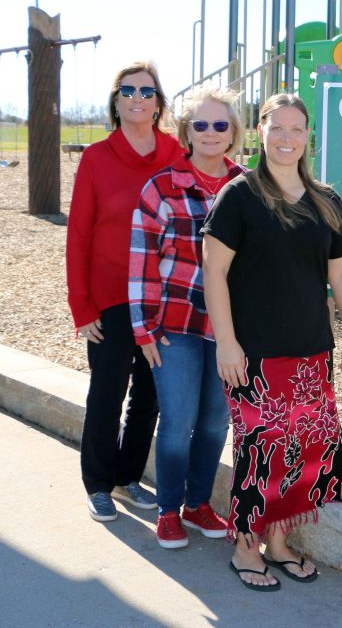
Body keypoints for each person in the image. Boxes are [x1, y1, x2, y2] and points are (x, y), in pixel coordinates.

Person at [202, 93, 342, 591]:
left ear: (308, 136)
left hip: (310, 352)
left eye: (296, 129)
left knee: (300, 450)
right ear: (260, 131)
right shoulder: (238, 196)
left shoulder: (327, 199)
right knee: (259, 449)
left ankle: (279, 543)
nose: (286, 138)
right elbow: (214, 272)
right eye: (276, 128)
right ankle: (245, 547)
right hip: (253, 353)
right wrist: (226, 343)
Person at [67, 61, 186, 521]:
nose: (138, 98)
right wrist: (82, 306)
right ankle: (98, 481)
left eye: (147, 91)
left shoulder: (177, 154)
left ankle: (127, 476)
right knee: (108, 390)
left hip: (161, 298)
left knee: (151, 393)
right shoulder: (97, 158)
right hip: (111, 299)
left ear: (159, 103)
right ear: (116, 101)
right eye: (128, 90)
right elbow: (78, 235)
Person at [129, 86, 247, 548]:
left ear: (234, 131)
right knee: (177, 420)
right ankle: (168, 510)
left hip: (229, 331)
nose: (211, 133)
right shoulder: (160, 187)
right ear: (186, 131)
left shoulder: (249, 187)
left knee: (216, 421)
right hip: (174, 326)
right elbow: (141, 259)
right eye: (201, 124)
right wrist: (143, 328)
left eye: (221, 124)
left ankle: (199, 505)